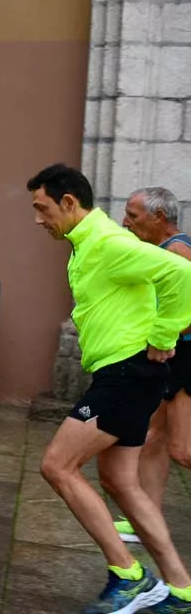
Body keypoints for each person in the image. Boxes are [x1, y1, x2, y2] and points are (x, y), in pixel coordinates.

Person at [28, 165, 191, 613]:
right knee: (121, 483)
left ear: (68, 203)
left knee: (58, 465)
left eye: (42, 209)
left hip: (129, 372)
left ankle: (129, 576)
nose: (38, 220)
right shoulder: (85, 244)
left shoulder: (107, 242)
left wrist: (163, 337)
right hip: (122, 373)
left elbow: (182, 275)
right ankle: (180, 591)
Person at [113, 187, 191, 549]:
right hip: (169, 358)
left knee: (182, 451)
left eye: (133, 215)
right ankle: (145, 520)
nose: (125, 221)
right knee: (152, 439)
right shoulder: (163, 249)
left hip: (184, 361)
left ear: (159, 218)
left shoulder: (178, 251)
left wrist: (160, 334)